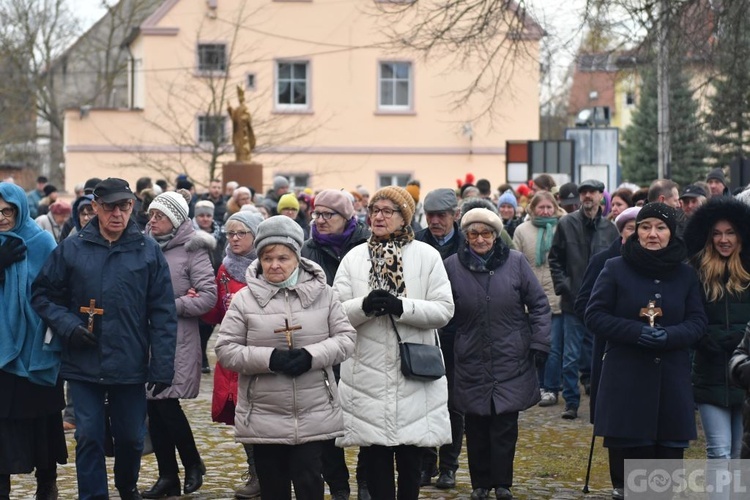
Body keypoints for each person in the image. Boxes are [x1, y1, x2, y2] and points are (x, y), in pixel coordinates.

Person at [31, 178, 178, 500]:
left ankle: (127, 487)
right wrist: (69, 326)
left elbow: (164, 312)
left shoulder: (148, 251)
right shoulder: (71, 249)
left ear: (132, 208)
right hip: (84, 360)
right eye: (109, 206)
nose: (117, 214)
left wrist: (163, 364)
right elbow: (43, 296)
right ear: (94, 207)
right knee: (89, 437)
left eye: (124, 207)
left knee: (131, 438)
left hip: (130, 359)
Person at [215, 215, 356, 500]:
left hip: (313, 407)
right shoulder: (245, 299)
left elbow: (346, 339)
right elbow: (226, 349)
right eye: (268, 258)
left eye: (283, 258)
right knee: (273, 487)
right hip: (264, 411)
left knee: (309, 481)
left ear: (297, 258)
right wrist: (269, 359)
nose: (275, 265)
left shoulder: (325, 295)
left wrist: (310, 356)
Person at [333, 186, 454, 500]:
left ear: (405, 217)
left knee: (410, 457)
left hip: (411, 369)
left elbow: (444, 309)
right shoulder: (354, 258)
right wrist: (365, 306)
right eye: (375, 210)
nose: (379, 216)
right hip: (366, 371)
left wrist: (402, 307)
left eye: (388, 211)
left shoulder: (427, 256)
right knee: (375, 457)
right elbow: (334, 313)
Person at [584, 203, 707, 496]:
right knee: (631, 482)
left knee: (663, 482)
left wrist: (670, 335)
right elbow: (594, 315)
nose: (653, 234)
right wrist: (636, 332)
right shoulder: (614, 268)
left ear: (671, 233)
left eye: (660, 227)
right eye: (646, 227)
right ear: (636, 232)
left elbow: (698, 322)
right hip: (626, 383)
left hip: (670, 385)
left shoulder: (686, 274)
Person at [444, 207, 550, 500]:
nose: (480, 239)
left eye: (486, 233)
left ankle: (502, 482)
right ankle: (480, 484)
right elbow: (443, 309)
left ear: (495, 235)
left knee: (505, 423)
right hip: (470, 354)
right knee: (476, 423)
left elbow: (539, 304)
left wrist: (540, 342)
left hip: (511, 354)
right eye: (474, 233)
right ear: (466, 237)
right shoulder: (452, 265)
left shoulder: (515, 262)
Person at [141, 191, 217, 498]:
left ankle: (192, 462)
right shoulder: (142, 245)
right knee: (153, 406)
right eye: (151, 215)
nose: (152, 221)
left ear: (174, 218)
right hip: (145, 338)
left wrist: (170, 306)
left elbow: (208, 295)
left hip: (177, 339)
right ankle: (167, 476)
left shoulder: (193, 249)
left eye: (159, 216)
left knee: (166, 402)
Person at [300, 189, 371, 500]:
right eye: (317, 214)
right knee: (327, 418)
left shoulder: (368, 246)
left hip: (364, 338)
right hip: (323, 340)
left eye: (329, 214)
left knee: (368, 414)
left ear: (347, 218)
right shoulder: (308, 249)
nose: (321, 220)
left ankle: (367, 481)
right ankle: (338, 485)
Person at [0, 182, 64, 500]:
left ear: (20, 210)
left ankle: (47, 482)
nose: (1, 217)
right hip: (1, 352)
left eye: (7, 211)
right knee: (2, 421)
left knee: (42, 419)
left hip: (36, 346)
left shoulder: (41, 241)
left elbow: (56, 289)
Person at [574, 206, 640, 499]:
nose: (638, 234)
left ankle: (645, 484)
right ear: (621, 231)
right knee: (616, 416)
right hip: (611, 348)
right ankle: (620, 483)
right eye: (631, 228)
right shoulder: (604, 261)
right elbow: (583, 305)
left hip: (650, 351)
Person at [201, 211, 264, 499]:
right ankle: (256, 474)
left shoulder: (267, 265)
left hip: (261, 348)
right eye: (230, 233)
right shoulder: (224, 268)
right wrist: (198, 300)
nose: (235, 239)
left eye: (241, 233)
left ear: (255, 236)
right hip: (233, 351)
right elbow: (215, 311)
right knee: (242, 418)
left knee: (262, 415)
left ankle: (269, 473)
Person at [684, 198, 750, 464]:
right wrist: (701, 338)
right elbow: (689, 315)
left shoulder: (747, 274)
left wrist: (742, 339)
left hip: (744, 376)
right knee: (718, 450)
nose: (724, 240)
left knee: (738, 453)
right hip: (708, 372)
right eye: (717, 233)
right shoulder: (696, 273)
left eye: (730, 232)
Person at [548, 179, 618, 420]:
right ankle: (571, 402)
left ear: (601, 196)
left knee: (599, 357)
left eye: (593, 192)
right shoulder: (566, 224)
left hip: (602, 304)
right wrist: (565, 286)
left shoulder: (611, 229)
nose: (588, 196)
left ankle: (598, 403)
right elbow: (555, 259)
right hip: (573, 302)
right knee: (570, 356)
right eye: (584, 193)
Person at [414, 188, 465, 490]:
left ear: (455, 215)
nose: (435, 221)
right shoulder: (417, 241)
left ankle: (449, 465)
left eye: (441, 216)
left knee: (453, 404)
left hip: (458, 333)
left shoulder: (465, 243)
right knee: (421, 401)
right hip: (423, 330)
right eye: (430, 215)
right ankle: (425, 463)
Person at [513, 191, 563, 408]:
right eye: (541, 208)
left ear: (555, 208)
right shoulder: (522, 230)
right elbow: (515, 262)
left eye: (549, 207)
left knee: (554, 346)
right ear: (532, 209)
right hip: (529, 298)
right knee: (533, 345)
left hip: (556, 295)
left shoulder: (563, 228)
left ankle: (551, 388)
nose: (545, 211)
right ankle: (537, 385)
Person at [193, 200, 227, 373]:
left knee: (210, 322)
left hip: (215, 280)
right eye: (201, 215)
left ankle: (202, 351)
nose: (205, 219)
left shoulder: (221, 234)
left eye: (208, 215)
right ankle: (200, 355)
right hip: (196, 282)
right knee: (199, 323)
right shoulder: (190, 234)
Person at [228, 85, 256, 162]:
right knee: (238, 146)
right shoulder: (237, 109)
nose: (240, 99)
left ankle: (246, 158)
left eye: (241, 97)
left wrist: (243, 119)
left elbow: (248, 118)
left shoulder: (245, 108)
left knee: (244, 147)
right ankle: (240, 159)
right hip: (238, 132)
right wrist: (230, 110)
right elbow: (234, 118)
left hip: (244, 132)